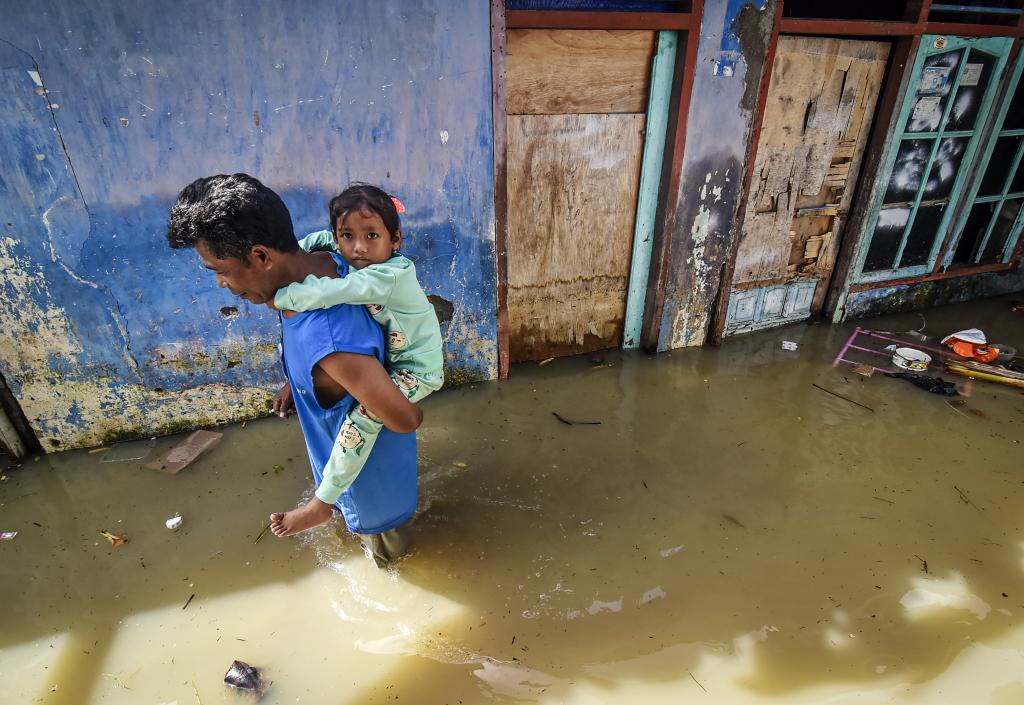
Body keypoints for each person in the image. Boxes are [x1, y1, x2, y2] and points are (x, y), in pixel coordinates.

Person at [166, 173, 419, 565]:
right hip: (343, 472)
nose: (220, 282)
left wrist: (338, 378)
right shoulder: (323, 265)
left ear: (263, 257)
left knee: (393, 565)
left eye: (221, 269)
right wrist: (297, 384)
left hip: (374, 495)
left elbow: (403, 418)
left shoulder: (332, 341)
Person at [272, 183, 443, 511]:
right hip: (396, 360)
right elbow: (316, 242)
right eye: (347, 236)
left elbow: (335, 291)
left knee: (361, 420)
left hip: (418, 371)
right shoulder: (345, 250)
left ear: (395, 240)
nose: (358, 248)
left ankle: (321, 503)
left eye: (371, 236)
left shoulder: (388, 275)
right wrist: (297, 252)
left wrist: (279, 295)